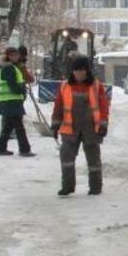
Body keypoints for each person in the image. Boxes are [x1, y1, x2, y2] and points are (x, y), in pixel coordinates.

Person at [51, 55, 109, 196]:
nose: (78, 73)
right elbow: (58, 106)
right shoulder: (65, 86)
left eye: (81, 70)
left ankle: (95, 187)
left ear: (87, 71)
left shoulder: (96, 86)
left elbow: (103, 106)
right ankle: (67, 186)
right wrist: (55, 125)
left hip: (91, 129)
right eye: (76, 70)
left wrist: (103, 124)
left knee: (93, 160)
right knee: (66, 158)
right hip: (70, 129)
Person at [0, 46, 34, 157]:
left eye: (16, 55)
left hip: (8, 100)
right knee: (19, 126)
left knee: (8, 126)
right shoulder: (9, 68)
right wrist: (21, 88)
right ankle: (24, 149)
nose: (15, 57)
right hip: (11, 100)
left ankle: (1, 148)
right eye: (12, 55)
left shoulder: (6, 67)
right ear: (7, 56)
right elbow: (13, 85)